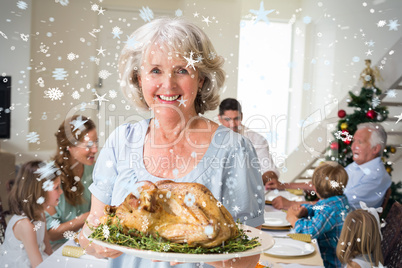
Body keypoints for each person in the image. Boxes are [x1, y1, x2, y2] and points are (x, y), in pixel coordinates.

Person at [78, 18, 265, 268]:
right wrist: (98, 245)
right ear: (138, 78)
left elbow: (249, 257)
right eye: (155, 70)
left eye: (182, 70)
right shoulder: (121, 141)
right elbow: (91, 228)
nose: (168, 84)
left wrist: (198, 251)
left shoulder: (234, 149)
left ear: (201, 79)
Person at [268, 122, 391, 210]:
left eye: (360, 142)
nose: (353, 147)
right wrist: (283, 185)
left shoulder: (376, 176)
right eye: (353, 141)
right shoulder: (358, 166)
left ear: (375, 149)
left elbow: (339, 206)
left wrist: (290, 204)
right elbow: (324, 184)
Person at [45, 115, 98, 249]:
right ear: (69, 146)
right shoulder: (50, 177)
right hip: (57, 249)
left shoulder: (94, 169)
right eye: (89, 145)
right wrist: (89, 216)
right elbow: (51, 233)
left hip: (85, 242)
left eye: (96, 142)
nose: (95, 150)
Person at [286, 161, 349, 268]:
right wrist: (306, 210)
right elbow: (318, 208)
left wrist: (293, 219)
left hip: (329, 263)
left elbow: (308, 233)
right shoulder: (340, 200)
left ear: (314, 189)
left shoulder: (329, 209)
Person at [0, 160, 63, 268]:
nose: (61, 192)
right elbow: (37, 265)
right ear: (39, 191)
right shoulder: (25, 225)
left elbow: (48, 251)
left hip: (36, 260)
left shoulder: (41, 214)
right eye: (56, 187)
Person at [218, 98, 279, 185]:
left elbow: (269, 169)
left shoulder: (256, 139)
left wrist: (252, 185)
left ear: (241, 116)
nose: (233, 124)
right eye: (227, 119)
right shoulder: (211, 138)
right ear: (219, 118)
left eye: (236, 119)